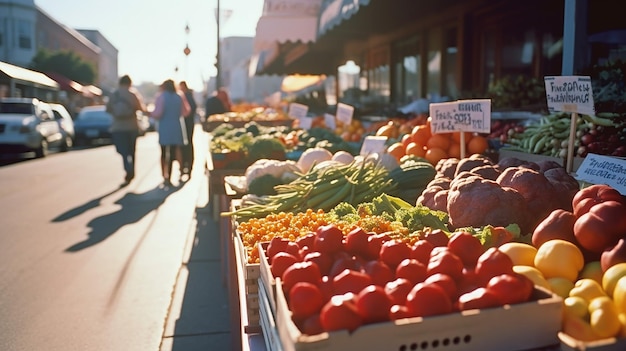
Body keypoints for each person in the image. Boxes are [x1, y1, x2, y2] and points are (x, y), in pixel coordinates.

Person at [106, 75, 146, 185]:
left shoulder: (114, 94)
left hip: (118, 127)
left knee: (123, 151)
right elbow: (140, 108)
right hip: (132, 126)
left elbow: (108, 109)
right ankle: (131, 170)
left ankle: (128, 168)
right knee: (132, 151)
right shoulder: (133, 94)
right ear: (129, 83)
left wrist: (117, 113)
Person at [150, 79, 191, 187]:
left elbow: (157, 113)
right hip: (177, 126)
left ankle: (165, 176)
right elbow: (186, 111)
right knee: (174, 152)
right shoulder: (179, 96)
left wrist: (149, 113)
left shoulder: (161, 96)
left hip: (165, 127)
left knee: (164, 153)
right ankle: (176, 172)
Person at [178, 81, 197, 178]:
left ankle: (187, 165)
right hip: (187, 123)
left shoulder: (187, 96)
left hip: (187, 124)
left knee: (187, 145)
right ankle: (186, 165)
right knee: (186, 145)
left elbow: (190, 110)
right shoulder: (187, 95)